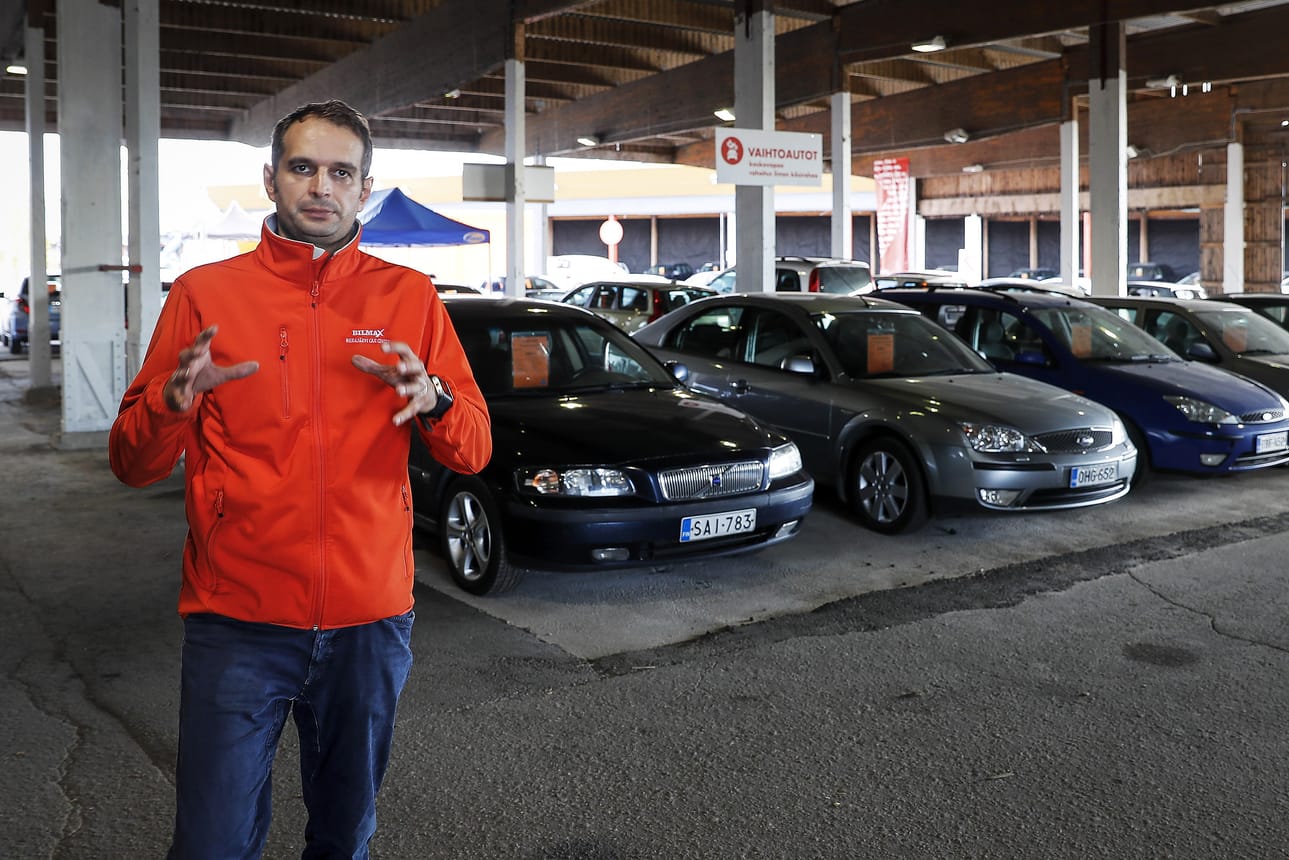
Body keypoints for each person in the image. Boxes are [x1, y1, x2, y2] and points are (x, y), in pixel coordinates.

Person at [108, 100, 492, 858]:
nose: (321, 186)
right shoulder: (204, 295)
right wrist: (171, 403)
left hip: (368, 621)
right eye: (303, 167)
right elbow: (131, 462)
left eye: (341, 172)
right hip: (237, 620)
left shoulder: (409, 297)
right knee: (212, 844)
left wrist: (438, 400)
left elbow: (473, 452)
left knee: (344, 837)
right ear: (271, 178)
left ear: (365, 189)